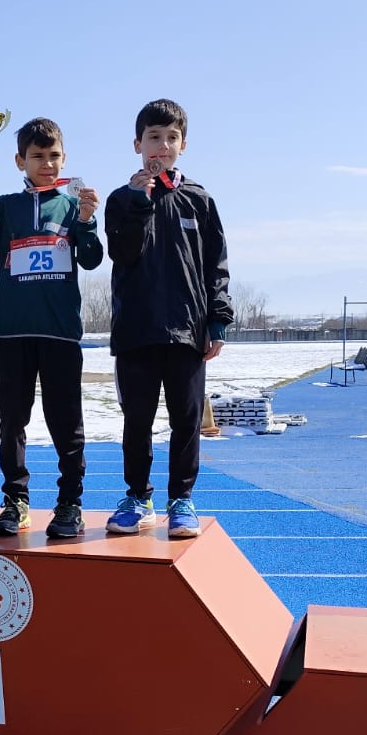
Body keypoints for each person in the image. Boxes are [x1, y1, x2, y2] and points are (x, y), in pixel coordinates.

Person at [0, 116, 103, 539]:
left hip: (61, 335)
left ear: (63, 157)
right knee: (12, 421)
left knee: (66, 422)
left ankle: (70, 503)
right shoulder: (4, 206)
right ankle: (16, 500)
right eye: (37, 157)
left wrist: (86, 220)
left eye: (53, 156)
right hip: (12, 336)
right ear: (19, 161)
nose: (46, 164)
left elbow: (91, 258)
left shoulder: (71, 205)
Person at [103, 99, 232, 541]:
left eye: (171, 138)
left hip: (187, 332)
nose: (162, 145)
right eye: (153, 137)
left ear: (183, 144)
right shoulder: (121, 200)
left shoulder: (199, 200)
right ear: (138, 144)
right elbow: (121, 253)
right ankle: (138, 497)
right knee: (136, 421)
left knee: (187, 419)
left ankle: (182, 499)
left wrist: (217, 319)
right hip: (136, 331)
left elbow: (216, 265)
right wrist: (140, 201)